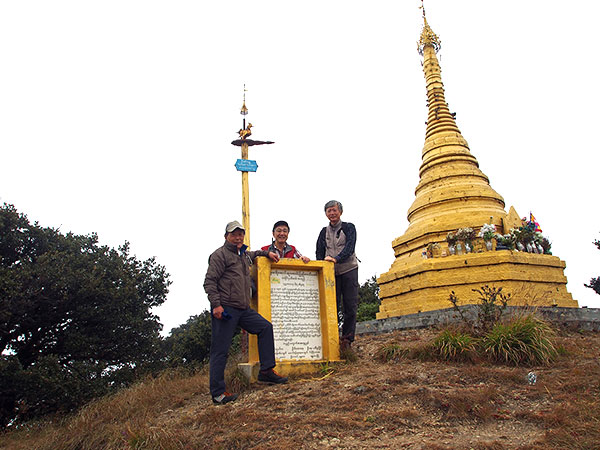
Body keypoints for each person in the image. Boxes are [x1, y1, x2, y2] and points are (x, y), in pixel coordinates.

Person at [204, 220, 288, 405]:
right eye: (234, 234)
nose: (238, 237)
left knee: (265, 328)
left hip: (243, 309)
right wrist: (216, 305)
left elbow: (256, 253)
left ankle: (266, 372)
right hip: (225, 309)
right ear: (226, 236)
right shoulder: (219, 255)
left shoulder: (243, 255)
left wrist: (268, 253)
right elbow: (210, 282)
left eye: (240, 234)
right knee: (220, 350)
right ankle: (218, 393)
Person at [315, 200, 359, 351]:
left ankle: (347, 339)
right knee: (332, 305)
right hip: (331, 273)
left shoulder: (349, 227)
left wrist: (336, 259)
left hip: (349, 269)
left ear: (340, 212)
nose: (332, 213)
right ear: (326, 214)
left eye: (334, 210)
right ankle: (332, 338)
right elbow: (319, 251)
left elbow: (350, 247)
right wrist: (320, 268)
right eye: (329, 211)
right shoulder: (323, 232)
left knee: (350, 305)